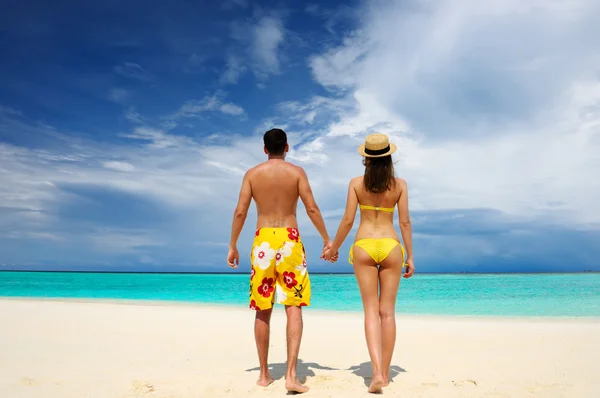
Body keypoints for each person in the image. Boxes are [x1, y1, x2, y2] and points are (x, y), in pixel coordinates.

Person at [227, 128, 335, 394]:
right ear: (287, 147)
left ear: (264, 149)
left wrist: (232, 245)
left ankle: (264, 375)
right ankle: (290, 375)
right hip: (289, 239)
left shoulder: (252, 174)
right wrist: (326, 239)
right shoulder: (297, 173)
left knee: (262, 308)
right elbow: (311, 207)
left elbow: (241, 211)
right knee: (294, 304)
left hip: (263, 240)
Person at [322, 133, 415, 394]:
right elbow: (405, 222)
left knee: (370, 312)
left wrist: (333, 248)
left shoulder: (355, 183)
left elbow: (348, 220)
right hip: (390, 246)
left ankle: (374, 372)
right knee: (388, 313)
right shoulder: (400, 185)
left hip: (363, 245)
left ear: (366, 157)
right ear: (389, 156)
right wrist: (410, 256)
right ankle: (385, 375)